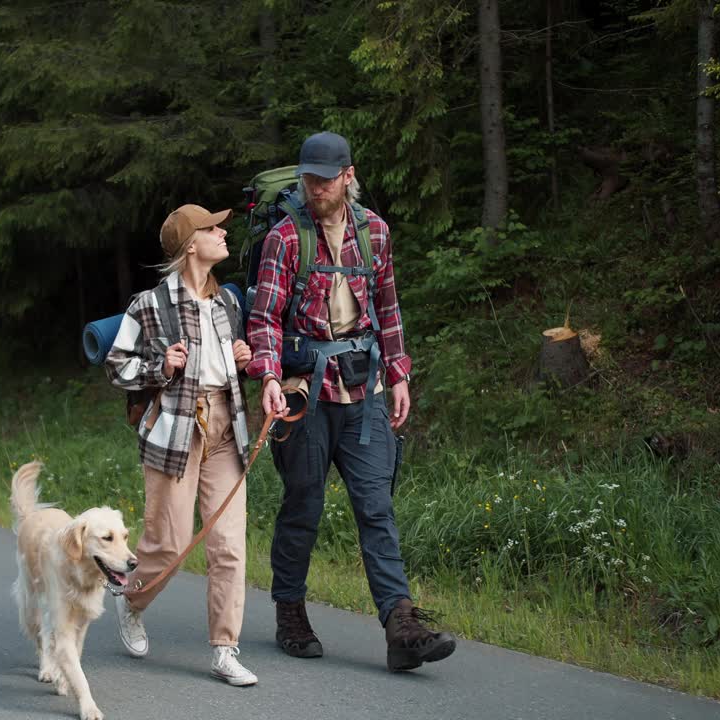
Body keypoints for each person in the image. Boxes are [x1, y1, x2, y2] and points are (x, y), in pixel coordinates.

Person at [245, 131, 456, 672]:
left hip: (365, 395)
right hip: (304, 394)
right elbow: (264, 318)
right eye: (308, 177)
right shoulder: (286, 239)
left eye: (324, 177)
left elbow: (388, 308)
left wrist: (400, 374)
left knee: (377, 509)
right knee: (303, 507)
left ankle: (401, 626)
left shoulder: (376, 234)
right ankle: (290, 611)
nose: (314, 186)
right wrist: (267, 376)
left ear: (347, 176)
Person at [103, 204, 258, 686]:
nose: (223, 232)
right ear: (192, 243)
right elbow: (116, 366)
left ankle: (225, 648)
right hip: (175, 432)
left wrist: (242, 356)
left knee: (229, 546)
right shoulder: (149, 305)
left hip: (225, 430)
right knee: (167, 543)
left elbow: (228, 368)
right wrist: (159, 367)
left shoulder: (227, 304)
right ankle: (132, 601)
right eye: (214, 228)